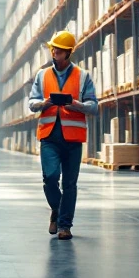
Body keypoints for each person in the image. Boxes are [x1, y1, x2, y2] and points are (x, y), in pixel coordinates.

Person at [27, 30, 99, 240]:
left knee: (69, 184)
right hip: (49, 136)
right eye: (53, 49)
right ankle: (57, 209)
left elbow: (94, 106)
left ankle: (64, 226)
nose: (54, 52)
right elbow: (31, 102)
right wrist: (44, 103)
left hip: (73, 139)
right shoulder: (42, 75)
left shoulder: (83, 76)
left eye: (58, 50)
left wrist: (76, 104)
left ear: (68, 53)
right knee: (50, 178)